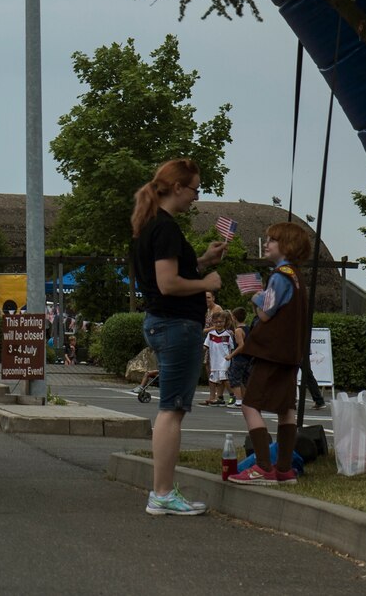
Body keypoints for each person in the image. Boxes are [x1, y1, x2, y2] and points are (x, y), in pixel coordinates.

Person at [129, 158, 225, 516]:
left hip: (159, 322)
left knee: (170, 408)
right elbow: (168, 284)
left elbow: (162, 277)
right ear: (178, 187)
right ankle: (163, 493)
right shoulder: (166, 228)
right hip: (176, 325)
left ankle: (163, 491)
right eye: (195, 188)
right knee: (171, 410)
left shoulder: (148, 225)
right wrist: (206, 283)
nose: (196, 196)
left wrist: (200, 261)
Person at [225, 221, 315, 486]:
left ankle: (263, 467)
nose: (267, 244)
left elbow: (266, 312)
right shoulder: (296, 275)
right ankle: (284, 469)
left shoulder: (279, 276)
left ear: (286, 246)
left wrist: (254, 294)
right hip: (291, 354)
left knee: (250, 404)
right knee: (286, 408)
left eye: (272, 240)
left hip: (271, 353)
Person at [203, 309, 236, 406]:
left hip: (224, 360)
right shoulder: (211, 334)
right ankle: (218, 398)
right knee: (213, 380)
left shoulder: (228, 335)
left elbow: (232, 348)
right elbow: (205, 346)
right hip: (214, 361)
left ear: (225, 322)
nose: (218, 324)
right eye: (216, 322)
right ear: (213, 322)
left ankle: (232, 395)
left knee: (224, 378)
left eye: (221, 322)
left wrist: (231, 358)